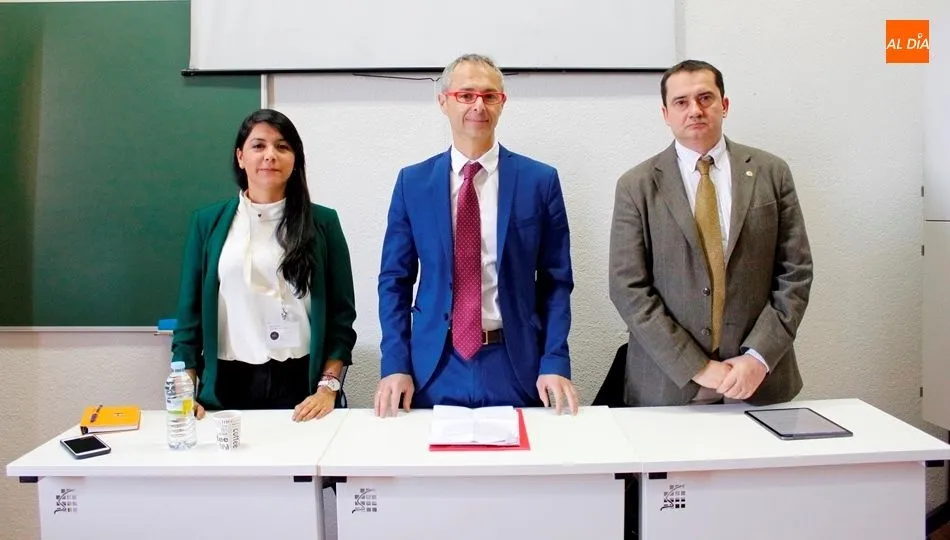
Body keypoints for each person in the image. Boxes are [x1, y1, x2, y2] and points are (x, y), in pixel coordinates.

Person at [375, 53, 579, 417]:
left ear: (502, 103)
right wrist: (395, 363)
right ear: (443, 102)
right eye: (466, 95)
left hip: (517, 364)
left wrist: (555, 361)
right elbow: (394, 280)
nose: (478, 105)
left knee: (522, 469)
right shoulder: (413, 183)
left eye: (489, 95)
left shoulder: (540, 181)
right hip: (433, 365)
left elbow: (556, 283)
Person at [608, 59, 813, 407]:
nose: (695, 110)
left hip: (758, 381)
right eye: (681, 102)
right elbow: (628, 289)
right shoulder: (636, 186)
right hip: (668, 385)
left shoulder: (771, 173)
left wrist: (757, 358)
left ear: (724, 105)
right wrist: (697, 366)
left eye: (705, 98)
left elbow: (795, 273)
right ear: (665, 113)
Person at [171, 108, 357, 421]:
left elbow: (341, 318)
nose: (270, 155)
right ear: (240, 156)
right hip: (228, 383)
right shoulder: (208, 223)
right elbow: (189, 319)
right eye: (259, 146)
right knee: (230, 469)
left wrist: (328, 388)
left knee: (302, 468)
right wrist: (185, 390)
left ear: (295, 158)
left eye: (282, 147)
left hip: (302, 384)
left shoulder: (323, 223)